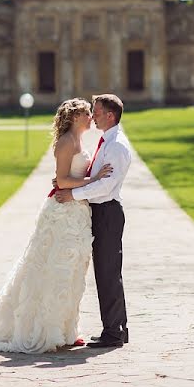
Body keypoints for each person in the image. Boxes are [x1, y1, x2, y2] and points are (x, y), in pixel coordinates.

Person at [0, 98, 112, 354]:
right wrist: (93, 178)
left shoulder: (78, 140)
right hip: (62, 215)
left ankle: (66, 330)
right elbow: (62, 180)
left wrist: (85, 183)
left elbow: (68, 178)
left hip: (77, 213)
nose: (91, 117)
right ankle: (44, 330)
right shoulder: (65, 142)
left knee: (71, 273)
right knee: (53, 270)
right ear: (75, 117)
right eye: (86, 113)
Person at [55, 93, 131, 349]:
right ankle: (117, 328)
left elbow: (106, 186)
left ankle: (114, 332)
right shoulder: (106, 141)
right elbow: (95, 178)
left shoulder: (117, 145)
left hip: (108, 212)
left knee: (108, 273)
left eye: (96, 112)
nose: (93, 116)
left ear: (110, 115)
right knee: (105, 272)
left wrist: (73, 193)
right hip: (99, 212)